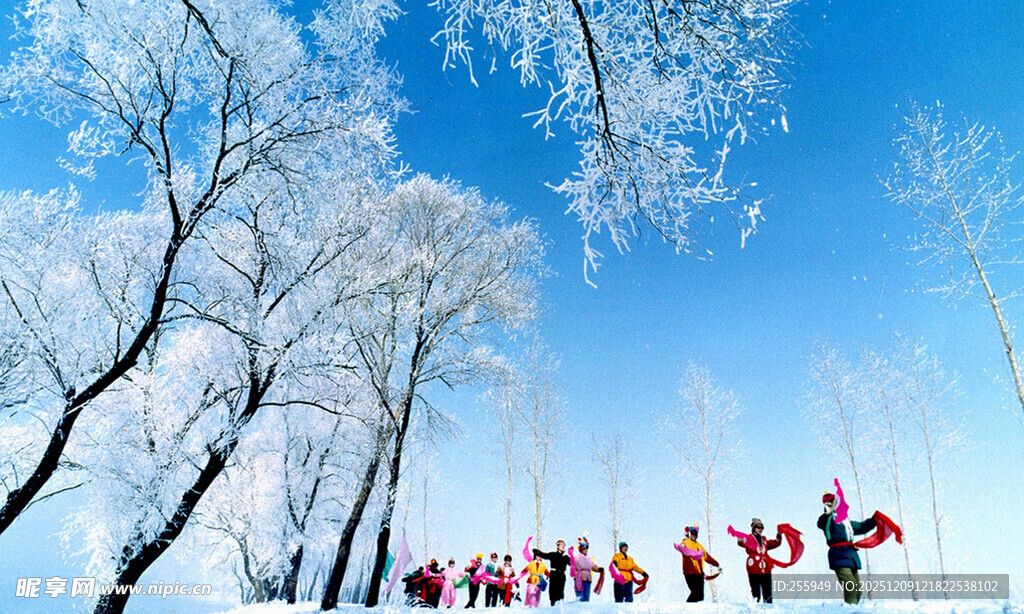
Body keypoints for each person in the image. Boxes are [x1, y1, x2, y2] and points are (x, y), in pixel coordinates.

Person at [818, 491, 876, 604]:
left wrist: (874, 520)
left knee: (858, 590)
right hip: (839, 556)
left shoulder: (845, 520)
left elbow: (861, 527)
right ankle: (849, 610)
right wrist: (828, 509)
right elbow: (821, 522)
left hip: (851, 556)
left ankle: (852, 609)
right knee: (851, 587)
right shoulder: (827, 519)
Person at [737, 518, 782, 603]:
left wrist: (779, 534)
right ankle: (755, 610)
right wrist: (740, 539)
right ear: (753, 527)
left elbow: (776, 543)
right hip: (753, 569)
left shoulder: (764, 540)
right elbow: (742, 542)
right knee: (756, 593)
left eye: (762, 528)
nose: (760, 529)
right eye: (758, 527)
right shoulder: (749, 538)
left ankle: (768, 609)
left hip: (765, 569)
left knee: (768, 594)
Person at [676, 525, 720, 602]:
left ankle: (697, 609)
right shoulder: (686, 541)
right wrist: (682, 548)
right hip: (689, 572)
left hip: (699, 573)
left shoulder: (699, 546)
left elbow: (707, 557)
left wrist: (716, 564)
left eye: (695, 533)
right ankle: (687, 607)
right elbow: (682, 547)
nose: (694, 535)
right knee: (695, 591)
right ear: (688, 533)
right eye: (692, 533)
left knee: (700, 595)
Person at [533, 540, 570, 605]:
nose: (563, 546)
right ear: (557, 546)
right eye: (561, 544)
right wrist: (537, 552)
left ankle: (560, 607)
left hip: (561, 576)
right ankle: (553, 606)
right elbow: (544, 555)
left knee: (560, 593)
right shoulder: (553, 554)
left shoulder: (566, 558)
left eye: (564, 545)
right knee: (553, 593)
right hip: (554, 575)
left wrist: (572, 555)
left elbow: (573, 564)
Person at [572, 537, 602, 602]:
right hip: (579, 579)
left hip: (588, 580)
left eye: (586, 548)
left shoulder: (589, 558)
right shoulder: (576, 557)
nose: (585, 549)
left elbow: (593, 566)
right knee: (580, 597)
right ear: (580, 549)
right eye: (583, 548)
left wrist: (599, 569)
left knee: (587, 598)